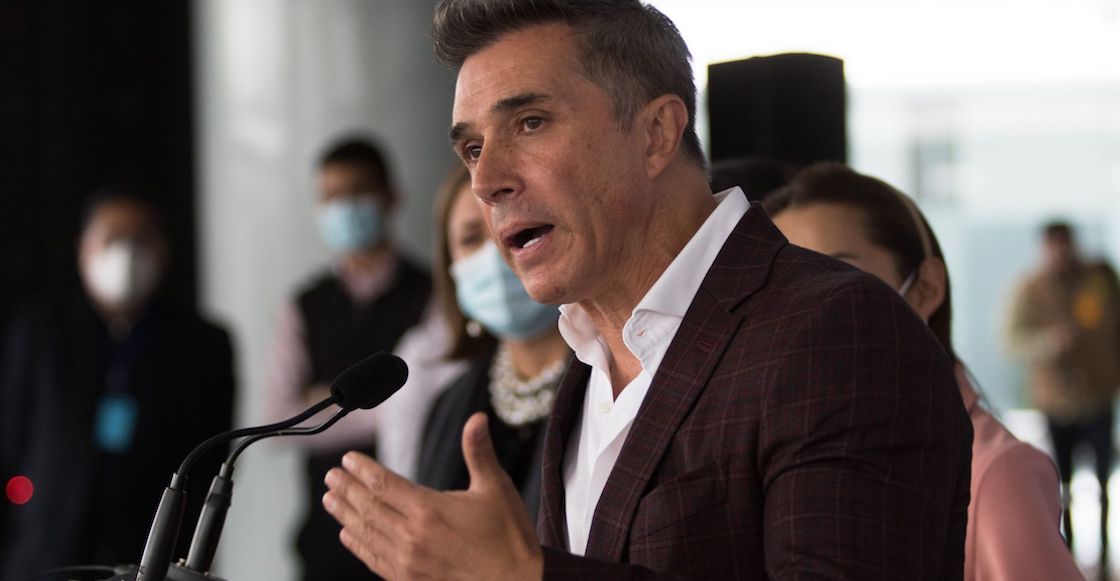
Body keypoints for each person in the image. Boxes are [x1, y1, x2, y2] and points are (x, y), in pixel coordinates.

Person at [320, 1, 972, 579]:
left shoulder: (839, 329)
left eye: (530, 123)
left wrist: (522, 577)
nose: (487, 181)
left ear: (657, 133)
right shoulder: (586, 366)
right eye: (471, 148)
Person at [764, 162, 1082, 581]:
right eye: (784, 286)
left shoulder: (994, 474)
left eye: (837, 278)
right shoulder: (782, 456)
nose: (807, 312)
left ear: (925, 288)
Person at [0, 190, 235, 580]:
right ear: (84, 248)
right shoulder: (40, 332)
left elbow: (212, 455)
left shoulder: (203, 345)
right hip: (48, 551)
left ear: (163, 250)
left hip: (153, 554)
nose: (126, 252)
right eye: (112, 237)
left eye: (141, 238)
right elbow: (12, 436)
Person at [263, 136, 431, 581]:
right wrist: (386, 412)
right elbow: (278, 420)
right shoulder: (305, 304)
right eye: (331, 197)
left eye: (357, 192)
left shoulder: (432, 294)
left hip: (410, 528)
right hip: (325, 536)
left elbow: (433, 405)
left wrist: (322, 401)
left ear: (390, 197)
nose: (345, 208)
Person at [414, 165, 570, 518]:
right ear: (451, 268)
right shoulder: (448, 406)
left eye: (513, 228)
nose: (496, 251)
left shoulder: (615, 373)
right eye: (471, 239)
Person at [1005, 220, 1120, 571]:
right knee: (1062, 484)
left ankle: (1103, 555)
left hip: (1098, 394)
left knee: (1103, 482)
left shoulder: (1099, 279)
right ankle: (1066, 556)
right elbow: (1012, 340)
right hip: (1056, 400)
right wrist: (1050, 343)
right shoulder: (1029, 288)